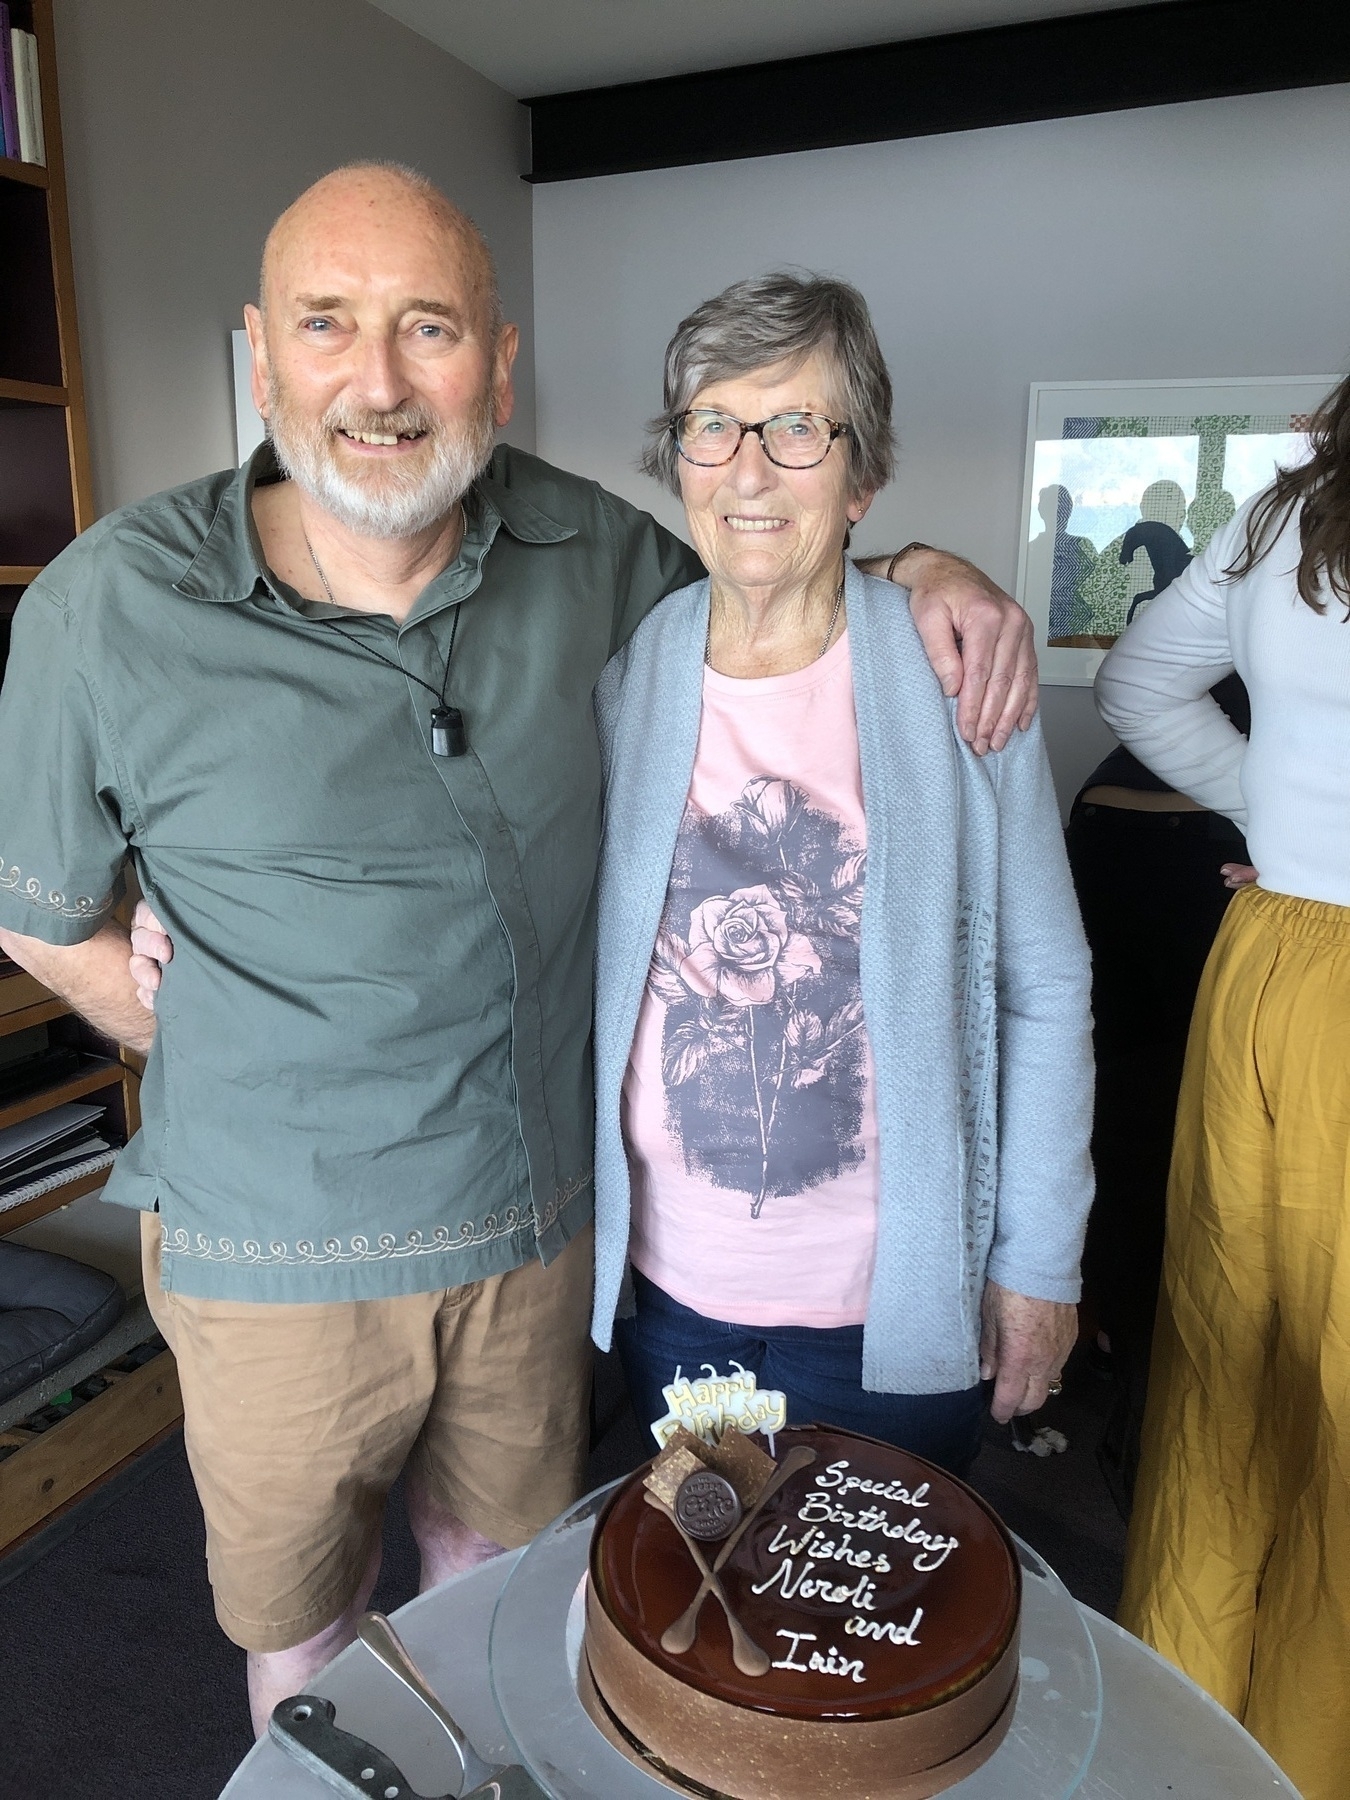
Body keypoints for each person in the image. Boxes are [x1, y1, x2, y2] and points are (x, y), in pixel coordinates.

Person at [0, 165, 1036, 1733]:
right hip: (279, 1262)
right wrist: (175, 1023)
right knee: (307, 1630)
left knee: (502, 1573)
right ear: (261, 355)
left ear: (497, 358)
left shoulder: (589, 554)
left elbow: (774, 571)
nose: (378, 379)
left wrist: (926, 574)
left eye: (427, 329)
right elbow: (38, 915)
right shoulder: (106, 604)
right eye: (326, 326)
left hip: (538, 1233)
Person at [588, 273, 1094, 1476]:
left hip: (887, 1311)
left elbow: (1044, 982)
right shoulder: (627, 679)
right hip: (670, 1301)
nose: (748, 469)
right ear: (678, 460)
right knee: (706, 1622)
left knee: (871, 1638)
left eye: (797, 428)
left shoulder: (959, 676)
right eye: (712, 423)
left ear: (861, 476)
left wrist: (1039, 1264)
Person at [1097, 371, 1350, 1800]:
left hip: (1259, 963)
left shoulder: (1287, 513)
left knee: (1220, 1358)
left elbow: (1136, 682)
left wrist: (1279, 815)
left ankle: (1185, 1733)